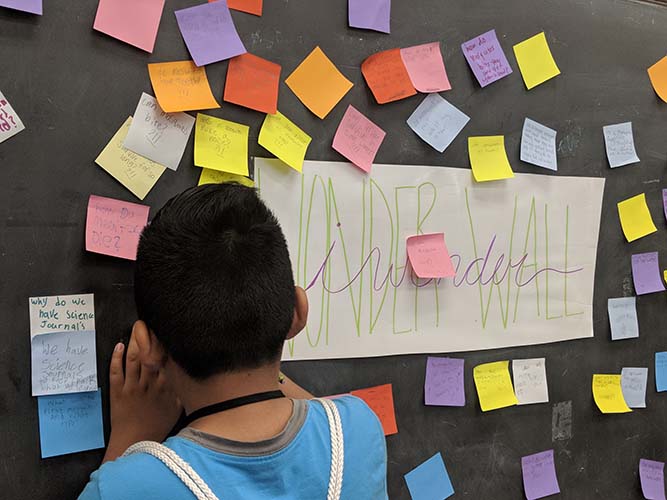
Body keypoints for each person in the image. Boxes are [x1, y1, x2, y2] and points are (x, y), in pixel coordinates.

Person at [78, 183, 388, 500]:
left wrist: (132, 438)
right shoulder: (358, 431)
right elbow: (322, 419)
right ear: (298, 312)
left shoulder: (124, 489)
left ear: (146, 346)